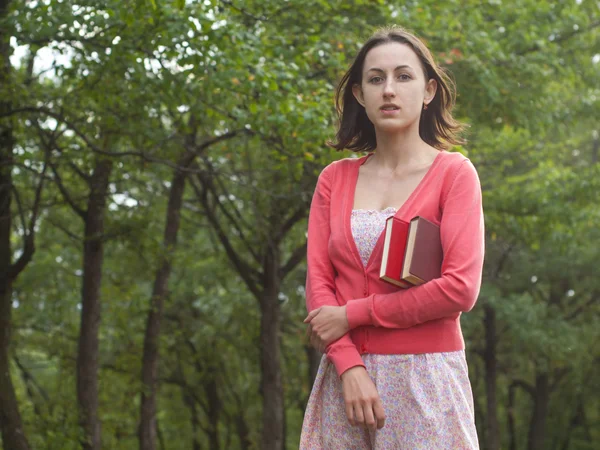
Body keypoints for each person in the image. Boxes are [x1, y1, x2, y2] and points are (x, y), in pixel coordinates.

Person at [300, 26, 484, 449]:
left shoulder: (454, 175)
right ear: (360, 95)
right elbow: (319, 283)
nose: (389, 90)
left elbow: (460, 289)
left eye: (403, 76)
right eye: (376, 78)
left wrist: (354, 314)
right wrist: (348, 367)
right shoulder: (334, 179)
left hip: (427, 380)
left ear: (429, 90)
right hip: (345, 385)